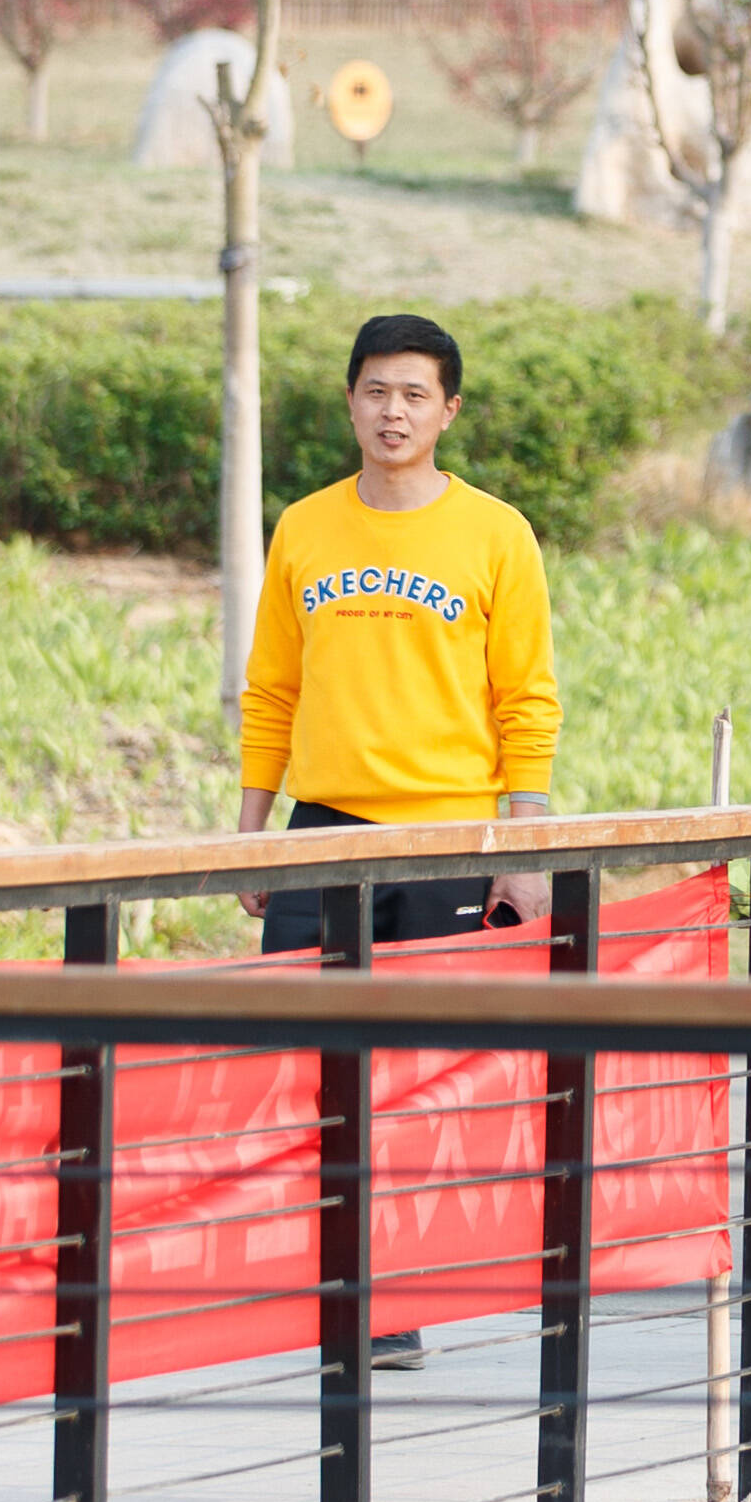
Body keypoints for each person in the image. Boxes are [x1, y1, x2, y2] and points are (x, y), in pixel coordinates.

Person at [235, 312, 560, 1365]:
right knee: (304, 1058)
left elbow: (526, 695)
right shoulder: (305, 526)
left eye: (415, 393)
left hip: (447, 830)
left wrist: (522, 837)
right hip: (321, 826)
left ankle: (387, 1291)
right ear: (349, 401)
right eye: (376, 390)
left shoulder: (495, 532)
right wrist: (249, 827)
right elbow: (271, 685)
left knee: (417, 1068)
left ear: (448, 410)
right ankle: (334, 1269)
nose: (393, 411)